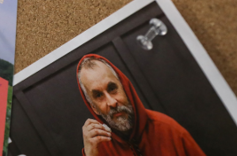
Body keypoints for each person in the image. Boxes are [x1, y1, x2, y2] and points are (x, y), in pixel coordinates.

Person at [77, 54, 206, 156]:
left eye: (112, 88)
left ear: (125, 88)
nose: (111, 102)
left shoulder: (168, 129)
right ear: (94, 108)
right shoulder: (98, 149)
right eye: (99, 96)